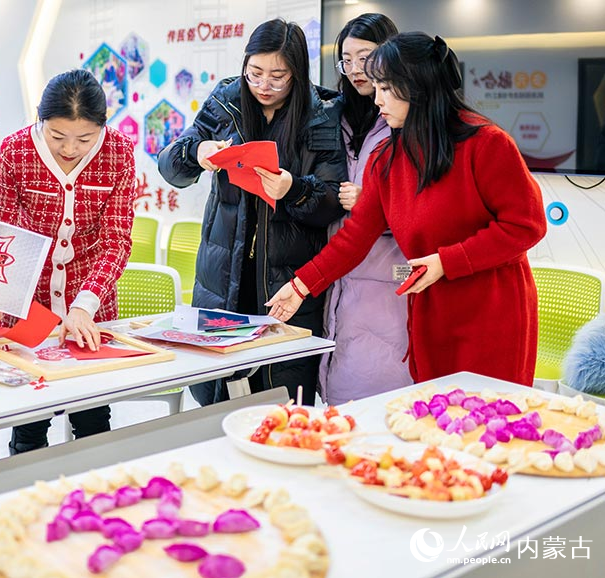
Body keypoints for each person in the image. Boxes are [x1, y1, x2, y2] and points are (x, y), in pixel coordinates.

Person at [267, 32, 547, 387]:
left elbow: (526, 225)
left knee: (487, 425)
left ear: (418, 88)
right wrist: (301, 284)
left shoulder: (487, 144)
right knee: (434, 421)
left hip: (491, 314)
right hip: (431, 314)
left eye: (386, 89)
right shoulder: (387, 159)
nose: (377, 99)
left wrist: (447, 262)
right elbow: (355, 236)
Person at [158, 19, 346, 406]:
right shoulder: (226, 100)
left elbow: (332, 201)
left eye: (278, 76)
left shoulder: (321, 114)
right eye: (255, 73)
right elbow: (170, 166)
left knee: (284, 400)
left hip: (285, 282)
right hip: (224, 275)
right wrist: (196, 153)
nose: (264, 85)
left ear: (297, 72)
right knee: (217, 400)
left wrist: (293, 189)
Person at [0, 69, 136, 454]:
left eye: (84, 138)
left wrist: (84, 306)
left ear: (102, 126)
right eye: (58, 136)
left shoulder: (118, 153)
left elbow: (115, 241)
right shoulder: (17, 151)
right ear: (40, 118)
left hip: (91, 304)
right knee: (30, 420)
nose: (70, 148)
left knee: (93, 419)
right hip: (27, 302)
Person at [320, 13, 412, 405]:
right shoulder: (329, 117)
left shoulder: (407, 119)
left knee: (384, 397)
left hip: (391, 275)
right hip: (337, 273)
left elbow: (426, 204)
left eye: (367, 58)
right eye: (347, 59)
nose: (356, 69)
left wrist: (375, 203)